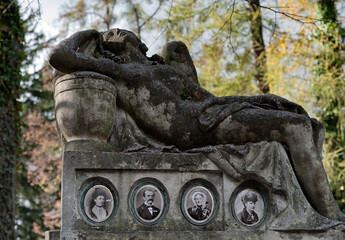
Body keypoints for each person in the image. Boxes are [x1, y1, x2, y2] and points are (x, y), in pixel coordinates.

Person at [48, 28, 345, 222]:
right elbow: (60, 56)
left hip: (211, 112)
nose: (111, 32)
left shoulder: (159, 69)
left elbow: (207, 98)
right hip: (194, 128)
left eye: (116, 30)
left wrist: (261, 99)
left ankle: (328, 218)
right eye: (107, 35)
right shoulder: (119, 70)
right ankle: (331, 219)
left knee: (299, 120)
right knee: (296, 128)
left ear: (139, 44)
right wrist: (88, 34)